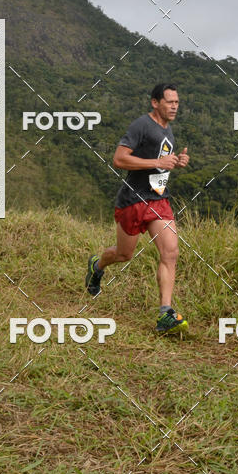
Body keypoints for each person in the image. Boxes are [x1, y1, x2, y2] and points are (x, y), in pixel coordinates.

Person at [86, 83, 190, 333]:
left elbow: (160, 164)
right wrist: (159, 161)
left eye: (177, 102)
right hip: (133, 200)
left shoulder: (168, 129)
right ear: (155, 103)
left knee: (170, 252)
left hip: (158, 200)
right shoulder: (141, 125)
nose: (174, 106)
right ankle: (96, 266)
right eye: (169, 101)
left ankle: (165, 313)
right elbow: (119, 159)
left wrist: (176, 162)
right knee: (124, 255)